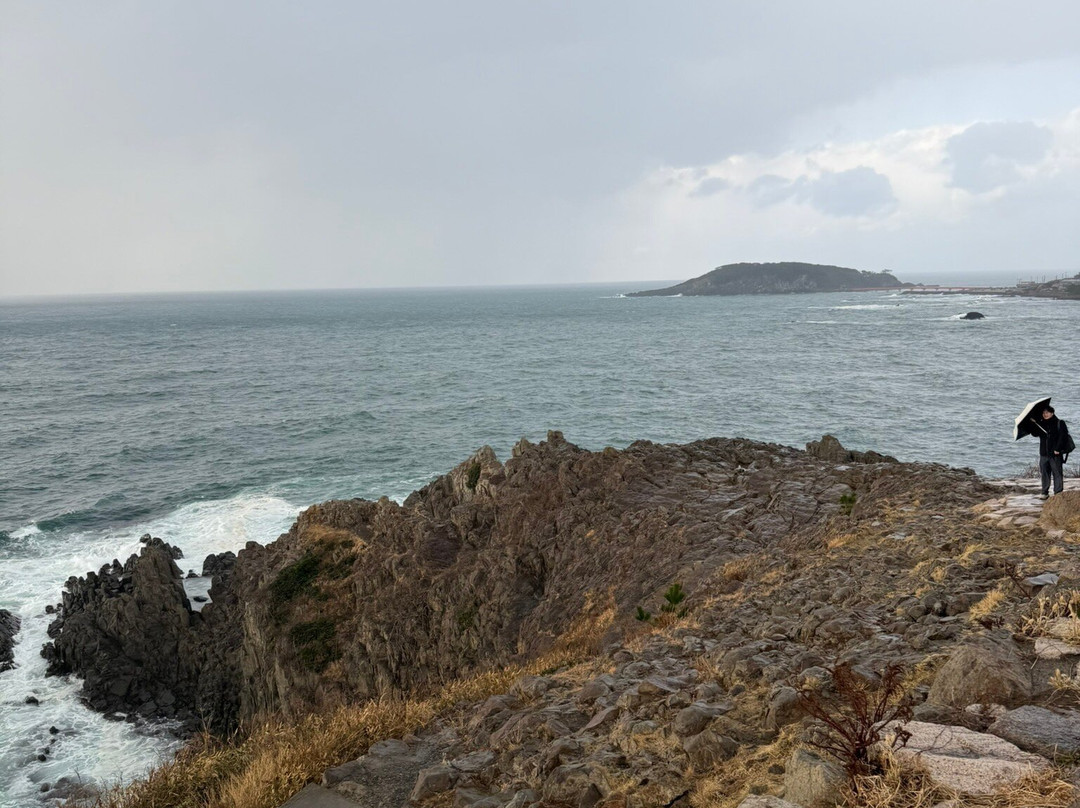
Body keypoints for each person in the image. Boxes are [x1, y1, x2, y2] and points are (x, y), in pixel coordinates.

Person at [1038, 405, 1070, 498]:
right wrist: (1033, 423)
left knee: (1057, 473)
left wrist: (1058, 449)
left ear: (1052, 413)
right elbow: (1035, 434)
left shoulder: (1059, 423)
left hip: (1055, 454)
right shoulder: (1041, 424)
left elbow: (1063, 437)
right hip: (1043, 453)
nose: (1045, 414)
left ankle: (1058, 493)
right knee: (1044, 473)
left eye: (1047, 413)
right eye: (1043, 413)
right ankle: (1044, 492)